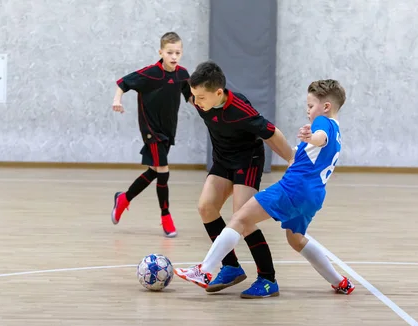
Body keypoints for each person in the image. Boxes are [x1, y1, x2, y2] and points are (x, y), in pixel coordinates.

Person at [175, 79, 355, 297]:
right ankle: (340, 281)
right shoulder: (337, 131)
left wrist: (312, 137)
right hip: (314, 196)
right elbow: (318, 147)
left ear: (326, 106)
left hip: (293, 189)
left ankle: (204, 271)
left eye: (310, 106)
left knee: (240, 219)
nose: (308, 111)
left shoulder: (323, 123)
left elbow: (320, 137)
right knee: (296, 239)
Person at [186, 60, 295, 298]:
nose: (196, 102)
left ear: (219, 92)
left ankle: (268, 279)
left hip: (248, 160)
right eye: (194, 96)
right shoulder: (198, 96)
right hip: (223, 160)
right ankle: (231, 267)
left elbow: (271, 133)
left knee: (242, 218)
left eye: (202, 97)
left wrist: (291, 159)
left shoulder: (240, 109)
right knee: (206, 207)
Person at [111, 32, 192, 237]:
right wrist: (117, 100)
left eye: (178, 53)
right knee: (163, 171)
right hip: (150, 130)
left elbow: (190, 96)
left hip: (168, 130)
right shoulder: (150, 74)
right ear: (161, 52)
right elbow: (123, 83)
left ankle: (124, 198)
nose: (174, 56)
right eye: (170, 52)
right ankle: (166, 216)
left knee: (154, 171)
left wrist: (208, 108)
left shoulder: (182, 74)